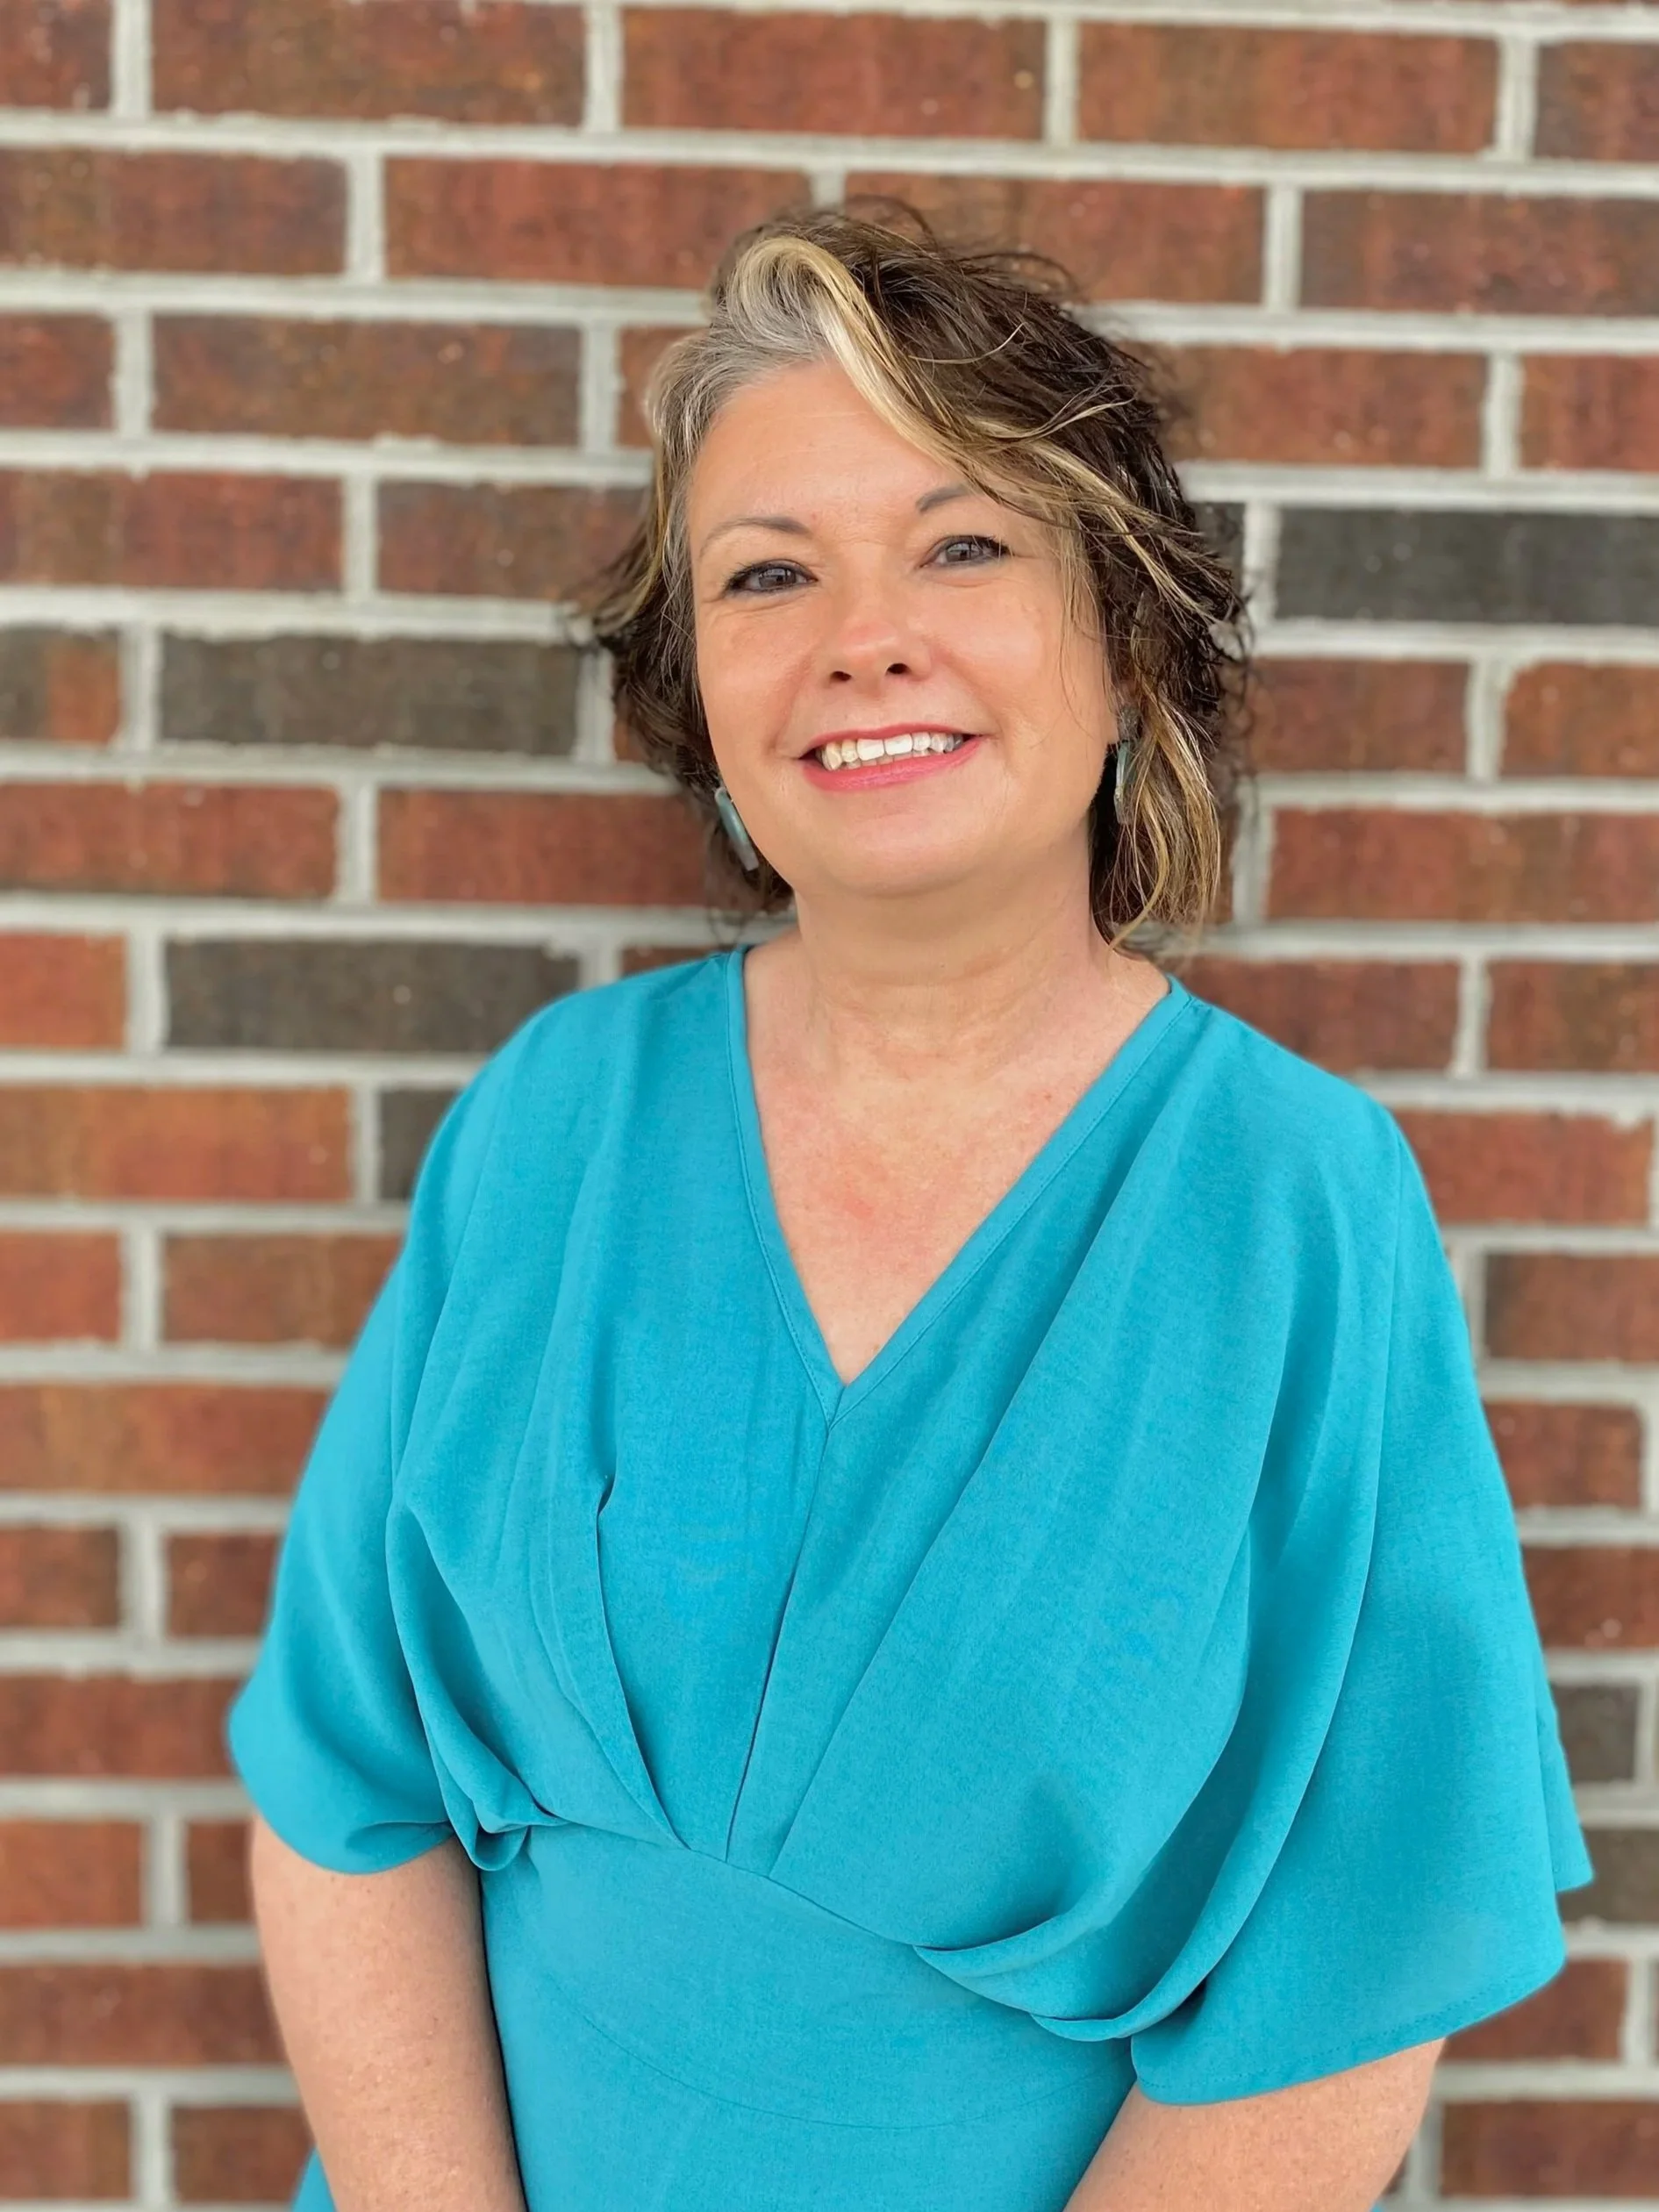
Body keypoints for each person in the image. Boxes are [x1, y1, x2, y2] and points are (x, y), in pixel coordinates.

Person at [226, 204, 1592, 2212]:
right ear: (707, 700)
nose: (864, 634)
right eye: (771, 573)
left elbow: (1353, 1975)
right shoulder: (551, 1127)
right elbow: (349, 1788)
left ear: (1126, 651)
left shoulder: (1295, 1208)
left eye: (964, 544)